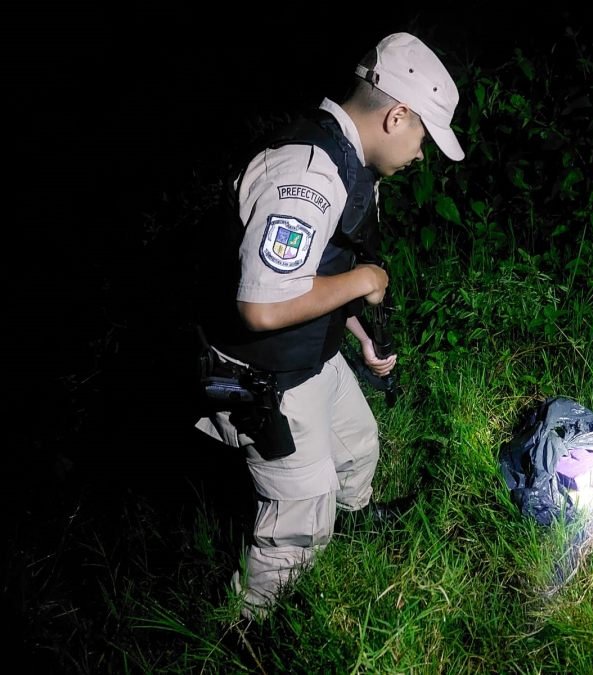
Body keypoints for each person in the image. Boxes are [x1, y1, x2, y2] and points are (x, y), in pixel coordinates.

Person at [193, 31, 465, 619]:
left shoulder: (350, 161)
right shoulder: (309, 171)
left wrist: (362, 335)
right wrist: (366, 281)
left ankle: (357, 523)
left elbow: (320, 269)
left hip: (312, 354)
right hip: (267, 375)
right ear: (397, 116)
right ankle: (250, 627)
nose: (421, 155)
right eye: (424, 138)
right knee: (300, 516)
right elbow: (261, 307)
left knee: (358, 444)